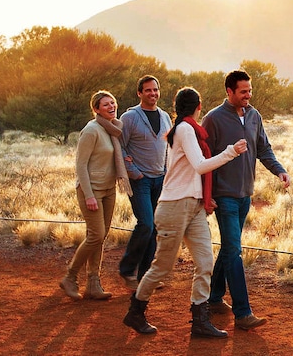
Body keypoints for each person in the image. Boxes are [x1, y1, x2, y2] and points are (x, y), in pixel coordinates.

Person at [123, 87, 248, 337]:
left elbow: (194, 171)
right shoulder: (185, 129)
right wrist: (231, 152)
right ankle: (135, 311)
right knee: (162, 267)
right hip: (174, 206)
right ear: (198, 107)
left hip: (193, 205)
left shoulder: (187, 129)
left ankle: (200, 320)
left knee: (205, 262)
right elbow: (200, 166)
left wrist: (205, 197)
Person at [204, 69, 290, 330]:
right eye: (243, 91)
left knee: (230, 248)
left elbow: (263, 148)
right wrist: (206, 197)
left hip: (245, 194)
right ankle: (243, 313)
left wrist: (279, 170)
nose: (248, 95)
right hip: (224, 196)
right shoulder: (213, 119)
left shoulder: (254, 116)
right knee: (234, 251)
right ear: (229, 92)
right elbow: (203, 161)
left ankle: (214, 297)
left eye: (249, 90)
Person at [60, 90, 132, 301]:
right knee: (96, 235)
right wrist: (89, 195)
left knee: (100, 237)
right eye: (106, 104)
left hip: (109, 190)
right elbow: (80, 165)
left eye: (113, 103)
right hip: (91, 191)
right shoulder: (91, 130)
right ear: (96, 109)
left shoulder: (111, 129)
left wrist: (121, 163)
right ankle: (70, 277)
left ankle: (93, 283)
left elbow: (107, 155)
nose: (112, 107)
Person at [118, 75, 172, 289]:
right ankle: (127, 269)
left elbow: (168, 147)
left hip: (160, 179)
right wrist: (133, 171)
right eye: (148, 90)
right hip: (140, 181)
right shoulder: (130, 117)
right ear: (139, 93)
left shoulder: (166, 116)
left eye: (155, 90)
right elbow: (119, 146)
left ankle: (146, 276)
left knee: (155, 228)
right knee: (146, 224)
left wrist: (167, 172)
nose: (153, 94)